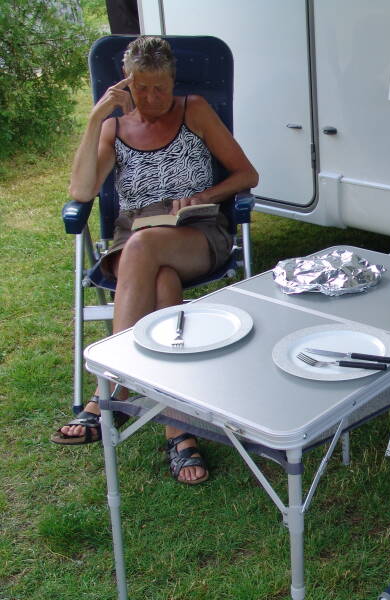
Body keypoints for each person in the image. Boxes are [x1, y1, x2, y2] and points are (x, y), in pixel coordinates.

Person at [51, 36, 259, 485]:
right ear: (125, 84)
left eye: (160, 87)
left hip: (196, 231)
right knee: (162, 281)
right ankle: (178, 427)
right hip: (136, 237)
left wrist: (204, 195)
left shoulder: (193, 110)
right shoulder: (114, 129)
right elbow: (82, 191)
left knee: (146, 249)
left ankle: (112, 385)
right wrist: (95, 118)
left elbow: (247, 173)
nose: (151, 98)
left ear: (172, 81)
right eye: (140, 87)